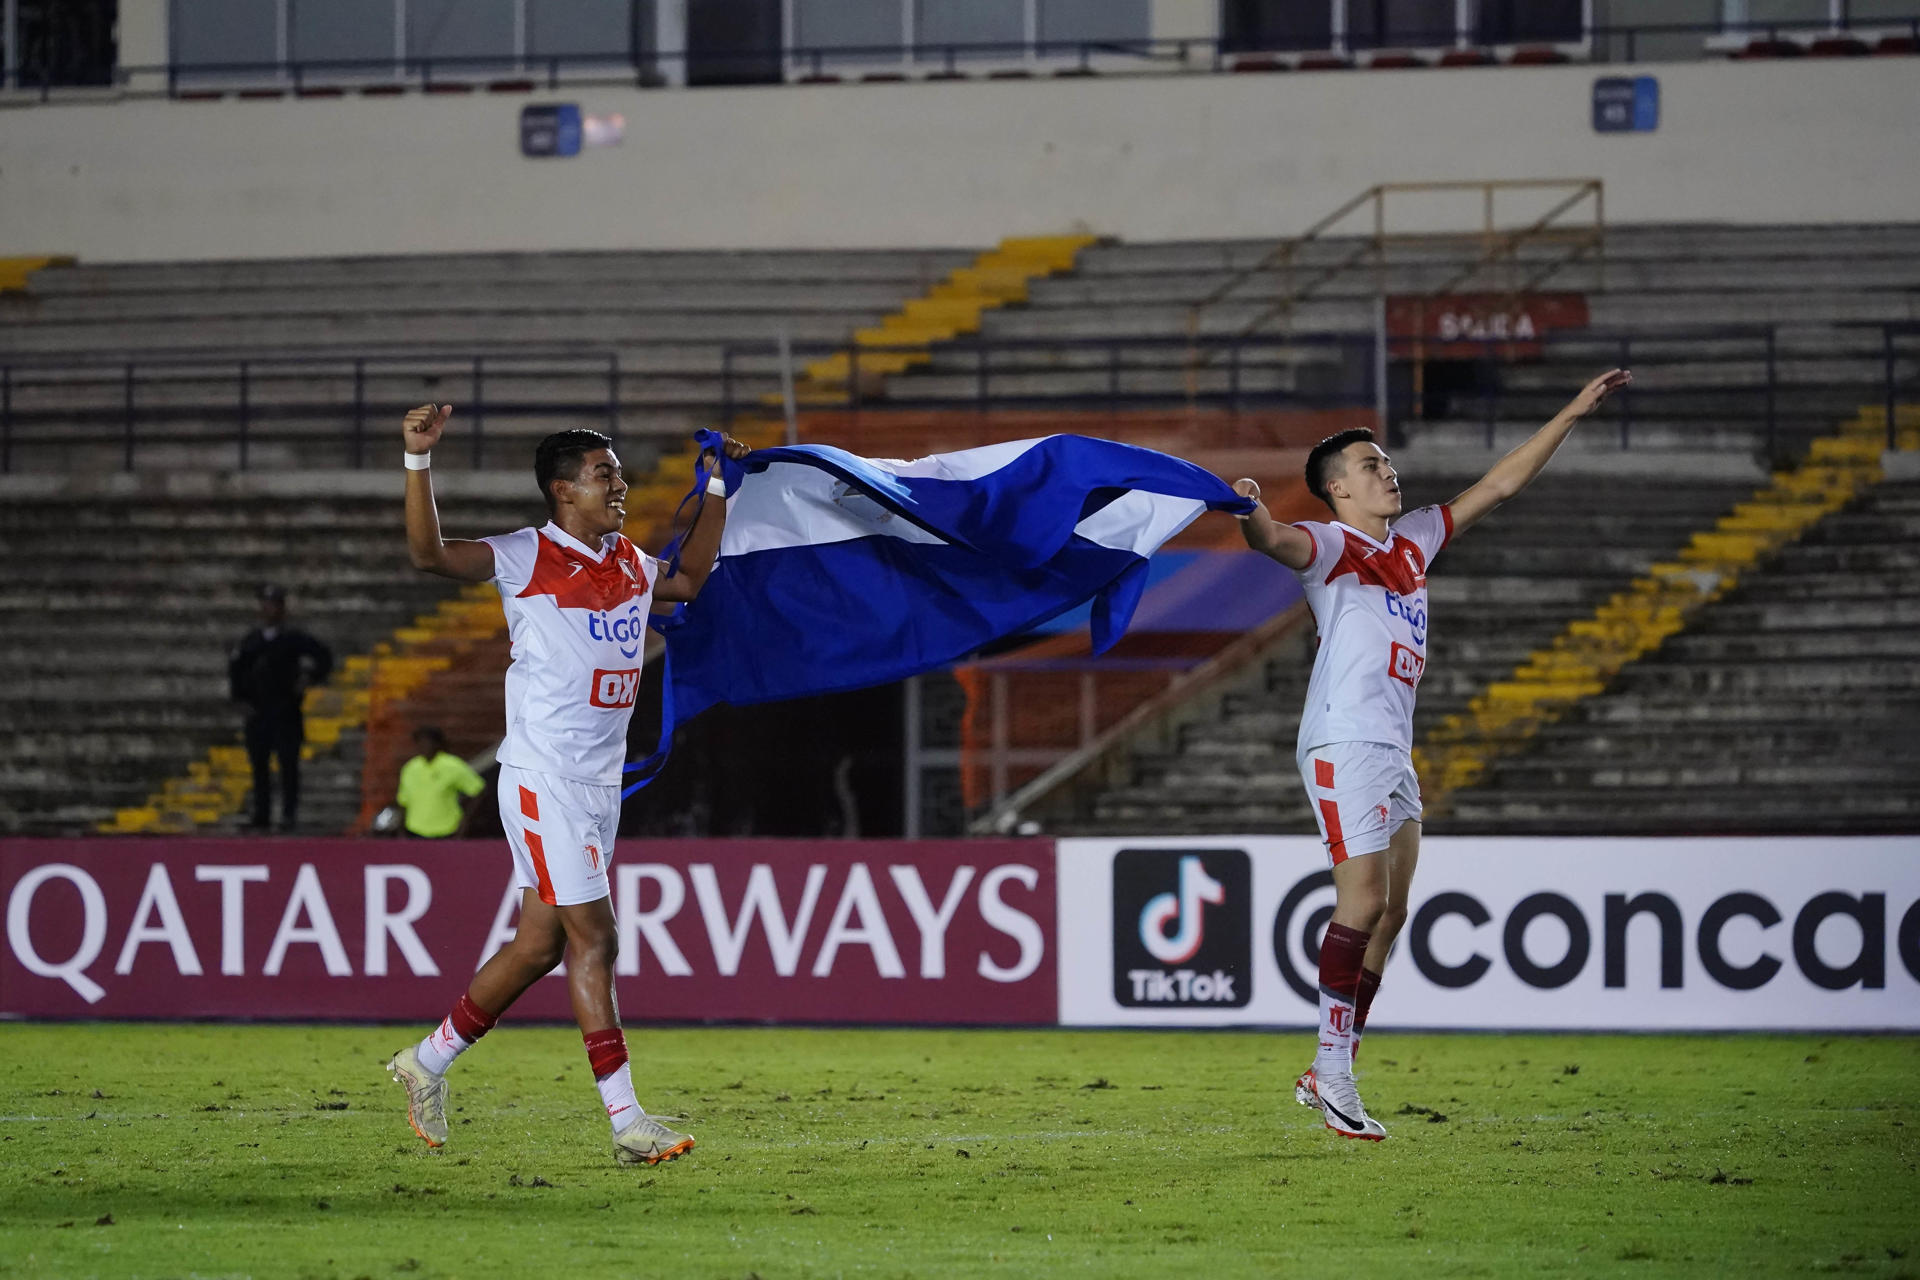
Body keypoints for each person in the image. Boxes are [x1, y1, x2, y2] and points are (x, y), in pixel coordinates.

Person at [1231, 368, 1632, 1141]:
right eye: (1372, 465)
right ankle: (1334, 1073)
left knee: (1395, 912)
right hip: (1343, 737)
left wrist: (1572, 409)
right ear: (1339, 490)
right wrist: (1251, 509)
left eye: (1386, 461)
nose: (1389, 471)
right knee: (1365, 901)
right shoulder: (1332, 545)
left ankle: (1331, 1064)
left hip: (1392, 746)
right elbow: (1274, 538)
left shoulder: (1413, 538)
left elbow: (1501, 484)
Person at [386, 403, 747, 1168]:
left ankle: (427, 1061)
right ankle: (625, 1123)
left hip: (597, 782)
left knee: (538, 946)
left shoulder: (626, 561)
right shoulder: (524, 556)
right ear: (562, 491)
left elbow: (686, 579)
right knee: (598, 937)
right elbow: (428, 556)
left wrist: (718, 490)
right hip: (543, 774)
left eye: (616, 473)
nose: (618, 485)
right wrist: (418, 461)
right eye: (603, 474)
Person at [228, 583, 334, 832]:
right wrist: (241, 700)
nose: (270, 609)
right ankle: (261, 814)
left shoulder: (293, 639)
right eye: (266, 604)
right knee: (259, 768)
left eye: (275, 604)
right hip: (258, 713)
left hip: (286, 711)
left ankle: (288, 814)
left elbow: (323, 657)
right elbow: (236, 673)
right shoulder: (250, 641)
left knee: (288, 766)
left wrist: (309, 678)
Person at [392, 726, 486, 838]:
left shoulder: (452, 765)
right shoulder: (410, 768)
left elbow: (479, 790)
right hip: (415, 830)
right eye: (420, 743)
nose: (423, 747)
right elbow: (403, 801)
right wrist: (400, 831)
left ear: (437, 744)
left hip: (447, 830)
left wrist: (465, 822)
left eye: (427, 743)